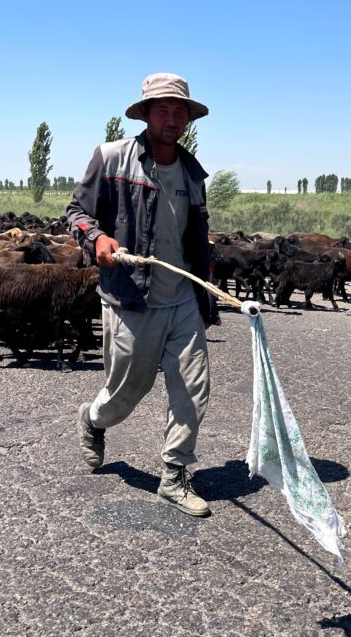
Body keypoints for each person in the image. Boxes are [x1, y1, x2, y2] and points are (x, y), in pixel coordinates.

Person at [66, 72, 219, 517]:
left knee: (194, 389)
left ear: (188, 119)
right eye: (163, 110)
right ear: (146, 113)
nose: (172, 119)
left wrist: (208, 293)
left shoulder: (192, 172)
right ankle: (93, 419)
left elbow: (197, 237)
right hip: (132, 298)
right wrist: (96, 239)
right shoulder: (112, 158)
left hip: (182, 300)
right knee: (127, 392)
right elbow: (75, 212)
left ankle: (174, 476)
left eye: (180, 112)